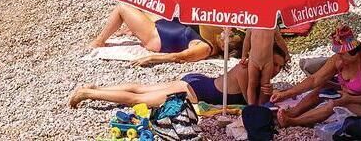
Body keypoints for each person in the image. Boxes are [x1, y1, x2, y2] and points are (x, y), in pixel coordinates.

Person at [69, 43, 287, 112]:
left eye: (280, 66)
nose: (276, 69)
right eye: (274, 63)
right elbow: (252, 106)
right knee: (137, 99)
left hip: (199, 82)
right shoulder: (247, 70)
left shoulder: (253, 71)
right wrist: (267, 95)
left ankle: (96, 87)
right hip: (192, 93)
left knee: (142, 88)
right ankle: (88, 93)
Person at [272, 24, 361, 130]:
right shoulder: (339, 58)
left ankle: (294, 121)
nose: (339, 57)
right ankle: (293, 112)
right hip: (347, 95)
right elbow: (315, 79)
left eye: (342, 55)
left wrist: (350, 99)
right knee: (321, 87)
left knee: (333, 104)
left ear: (354, 52)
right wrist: (286, 93)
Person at [89, 4, 216, 64]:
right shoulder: (210, 32)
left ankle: (99, 41)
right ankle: (132, 29)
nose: (224, 32)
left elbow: (178, 57)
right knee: (139, 7)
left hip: (157, 36)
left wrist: (151, 58)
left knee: (122, 8)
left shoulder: (205, 47)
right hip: (168, 26)